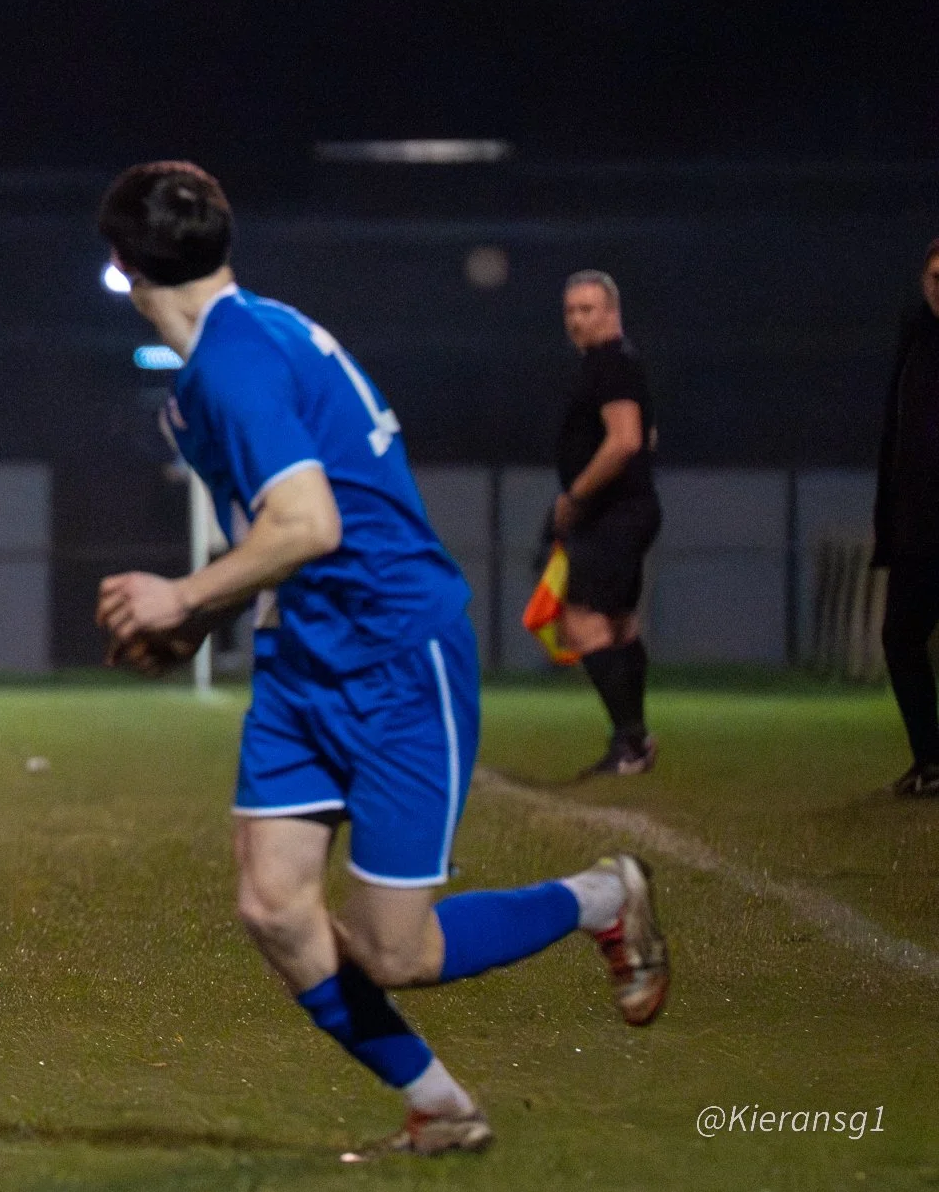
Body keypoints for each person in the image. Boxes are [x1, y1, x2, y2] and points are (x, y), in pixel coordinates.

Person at [93, 162, 668, 1158]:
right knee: (273, 907)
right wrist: (193, 624)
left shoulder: (236, 361)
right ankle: (441, 1107)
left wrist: (182, 597)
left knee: (396, 953)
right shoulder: (227, 363)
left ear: (123, 269)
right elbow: (284, 533)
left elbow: (308, 523)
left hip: (397, 655)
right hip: (302, 657)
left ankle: (600, 898)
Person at [553, 271, 662, 776]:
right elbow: (648, 434)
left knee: (583, 620)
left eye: (588, 309)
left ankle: (629, 742)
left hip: (612, 514)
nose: (577, 319)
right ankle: (635, 742)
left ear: (612, 312)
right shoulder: (616, 364)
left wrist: (576, 495)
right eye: (571, 310)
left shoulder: (611, 363)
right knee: (618, 623)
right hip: (627, 510)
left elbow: (625, 441)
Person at [873, 239, 939, 798]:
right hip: (919, 524)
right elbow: (898, 435)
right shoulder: (914, 335)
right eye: (936, 276)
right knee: (900, 636)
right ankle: (930, 759)